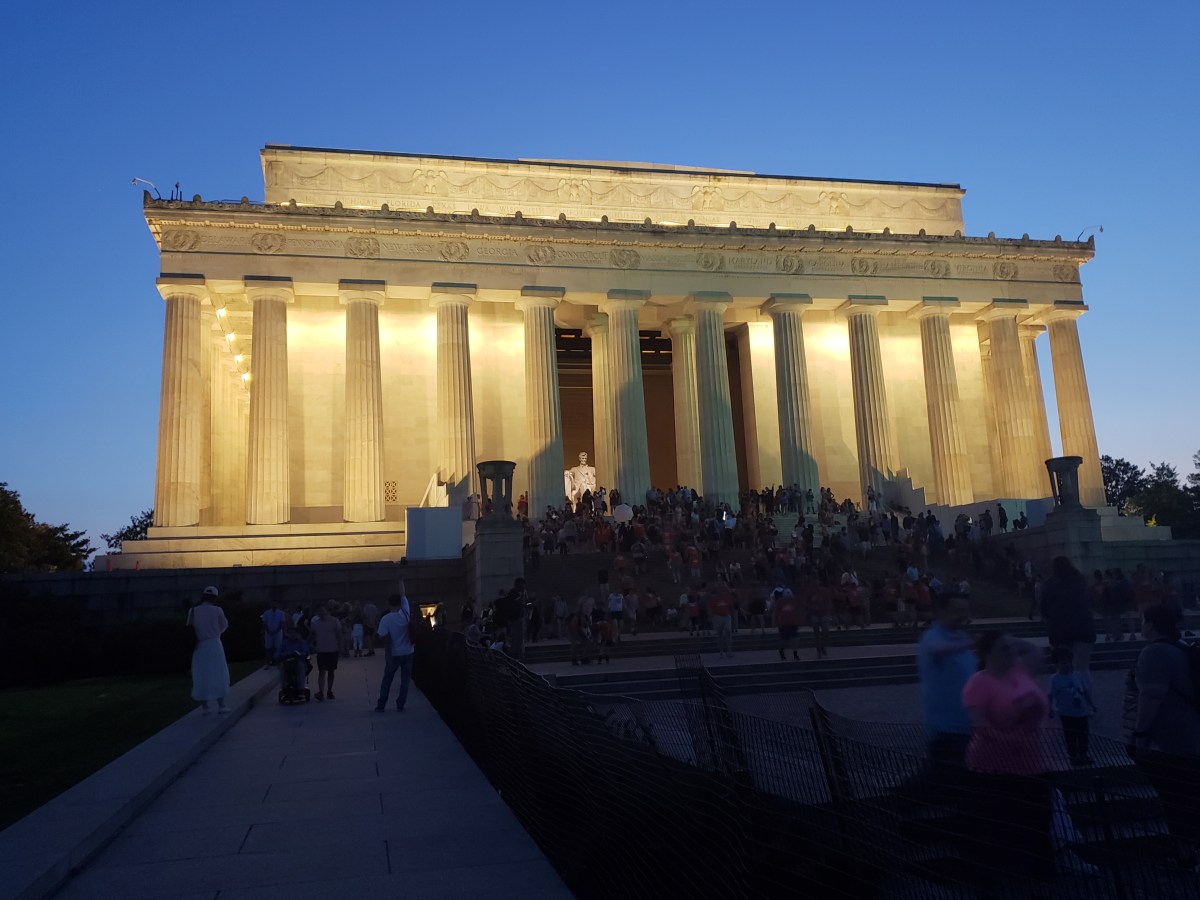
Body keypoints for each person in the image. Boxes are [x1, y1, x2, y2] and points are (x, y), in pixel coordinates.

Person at [1131, 604, 1200, 869]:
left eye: (1142, 620)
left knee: (1176, 798)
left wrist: (1140, 734)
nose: (1141, 624)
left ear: (1150, 623)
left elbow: (1150, 696)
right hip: (1193, 736)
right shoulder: (1183, 647)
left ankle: (1185, 854)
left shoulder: (1154, 652)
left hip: (1172, 740)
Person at [914, 595, 976, 794]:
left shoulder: (961, 637)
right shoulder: (932, 636)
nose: (963, 615)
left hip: (967, 722)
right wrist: (969, 645)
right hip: (946, 724)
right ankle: (902, 800)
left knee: (955, 778)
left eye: (965, 610)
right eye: (957, 610)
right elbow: (936, 650)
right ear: (941, 612)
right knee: (941, 776)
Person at [1040, 556, 1096, 687]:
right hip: (1083, 628)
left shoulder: (1049, 584)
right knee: (1082, 669)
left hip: (1059, 630)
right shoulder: (1080, 581)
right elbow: (1089, 601)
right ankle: (1085, 696)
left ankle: (1064, 695)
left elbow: (1044, 607)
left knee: (1061, 669)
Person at [1048, 647, 1097, 767]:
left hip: (1081, 712)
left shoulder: (1077, 675)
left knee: (1083, 735)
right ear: (1057, 664)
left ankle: (1083, 755)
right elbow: (1050, 696)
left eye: (1068, 662)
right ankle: (1073, 756)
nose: (1066, 665)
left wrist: (1091, 704)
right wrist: (1050, 709)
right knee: (1070, 736)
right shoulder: (1055, 680)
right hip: (1066, 714)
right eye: (1063, 663)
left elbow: (1085, 691)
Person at [187, 586, 230, 714]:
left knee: (201, 674)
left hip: (199, 646)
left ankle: (205, 706)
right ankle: (221, 704)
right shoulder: (217, 610)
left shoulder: (193, 611)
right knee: (218, 673)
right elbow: (224, 625)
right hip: (214, 644)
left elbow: (189, 627)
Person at [375, 592, 415, 711]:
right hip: (408, 651)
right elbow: (403, 594)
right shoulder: (405, 613)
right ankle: (401, 703)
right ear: (401, 603)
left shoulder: (386, 619)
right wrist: (401, 583)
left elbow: (380, 636)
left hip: (394, 653)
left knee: (387, 679)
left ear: (389, 604)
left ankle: (382, 704)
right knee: (405, 680)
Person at [308, 604, 342, 701]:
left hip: (332, 649)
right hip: (321, 650)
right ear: (317, 613)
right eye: (319, 611)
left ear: (326, 611)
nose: (321, 613)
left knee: (331, 671)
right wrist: (310, 645)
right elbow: (312, 635)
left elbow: (339, 635)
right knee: (321, 671)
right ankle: (321, 692)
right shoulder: (315, 624)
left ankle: (329, 690)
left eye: (322, 610)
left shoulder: (334, 621)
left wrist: (340, 647)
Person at [775, 588, 801, 661]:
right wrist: (776, 621)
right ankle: (781, 650)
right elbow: (776, 611)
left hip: (793, 623)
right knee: (783, 640)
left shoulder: (794, 601)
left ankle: (795, 654)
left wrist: (799, 620)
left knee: (795, 639)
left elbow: (798, 611)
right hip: (783, 623)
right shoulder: (780, 601)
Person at [260, 599, 286, 667]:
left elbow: (282, 623)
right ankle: (267, 663)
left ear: (278, 605)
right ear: (271, 604)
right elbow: (264, 623)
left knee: (278, 648)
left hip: (278, 633)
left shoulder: (281, 613)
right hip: (268, 633)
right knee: (268, 648)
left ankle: (278, 663)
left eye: (275, 604)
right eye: (273, 603)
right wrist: (268, 631)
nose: (274, 605)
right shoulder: (266, 613)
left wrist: (276, 631)